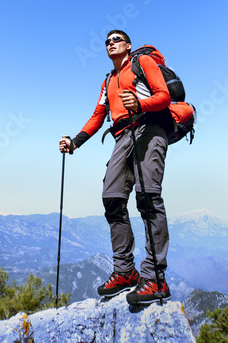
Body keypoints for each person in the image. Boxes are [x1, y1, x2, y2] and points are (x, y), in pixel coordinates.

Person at [59, 30, 172, 305]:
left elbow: (164, 96)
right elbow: (98, 115)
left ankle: (156, 278)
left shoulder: (142, 63)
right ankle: (125, 272)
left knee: (148, 198)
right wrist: (75, 142)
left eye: (116, 40)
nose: (111, 44)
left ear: (128, 45)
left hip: (150, 127)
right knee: (112, 198)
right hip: (123, 135)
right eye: (107, 42)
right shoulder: (108, 80)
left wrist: (140, 102)